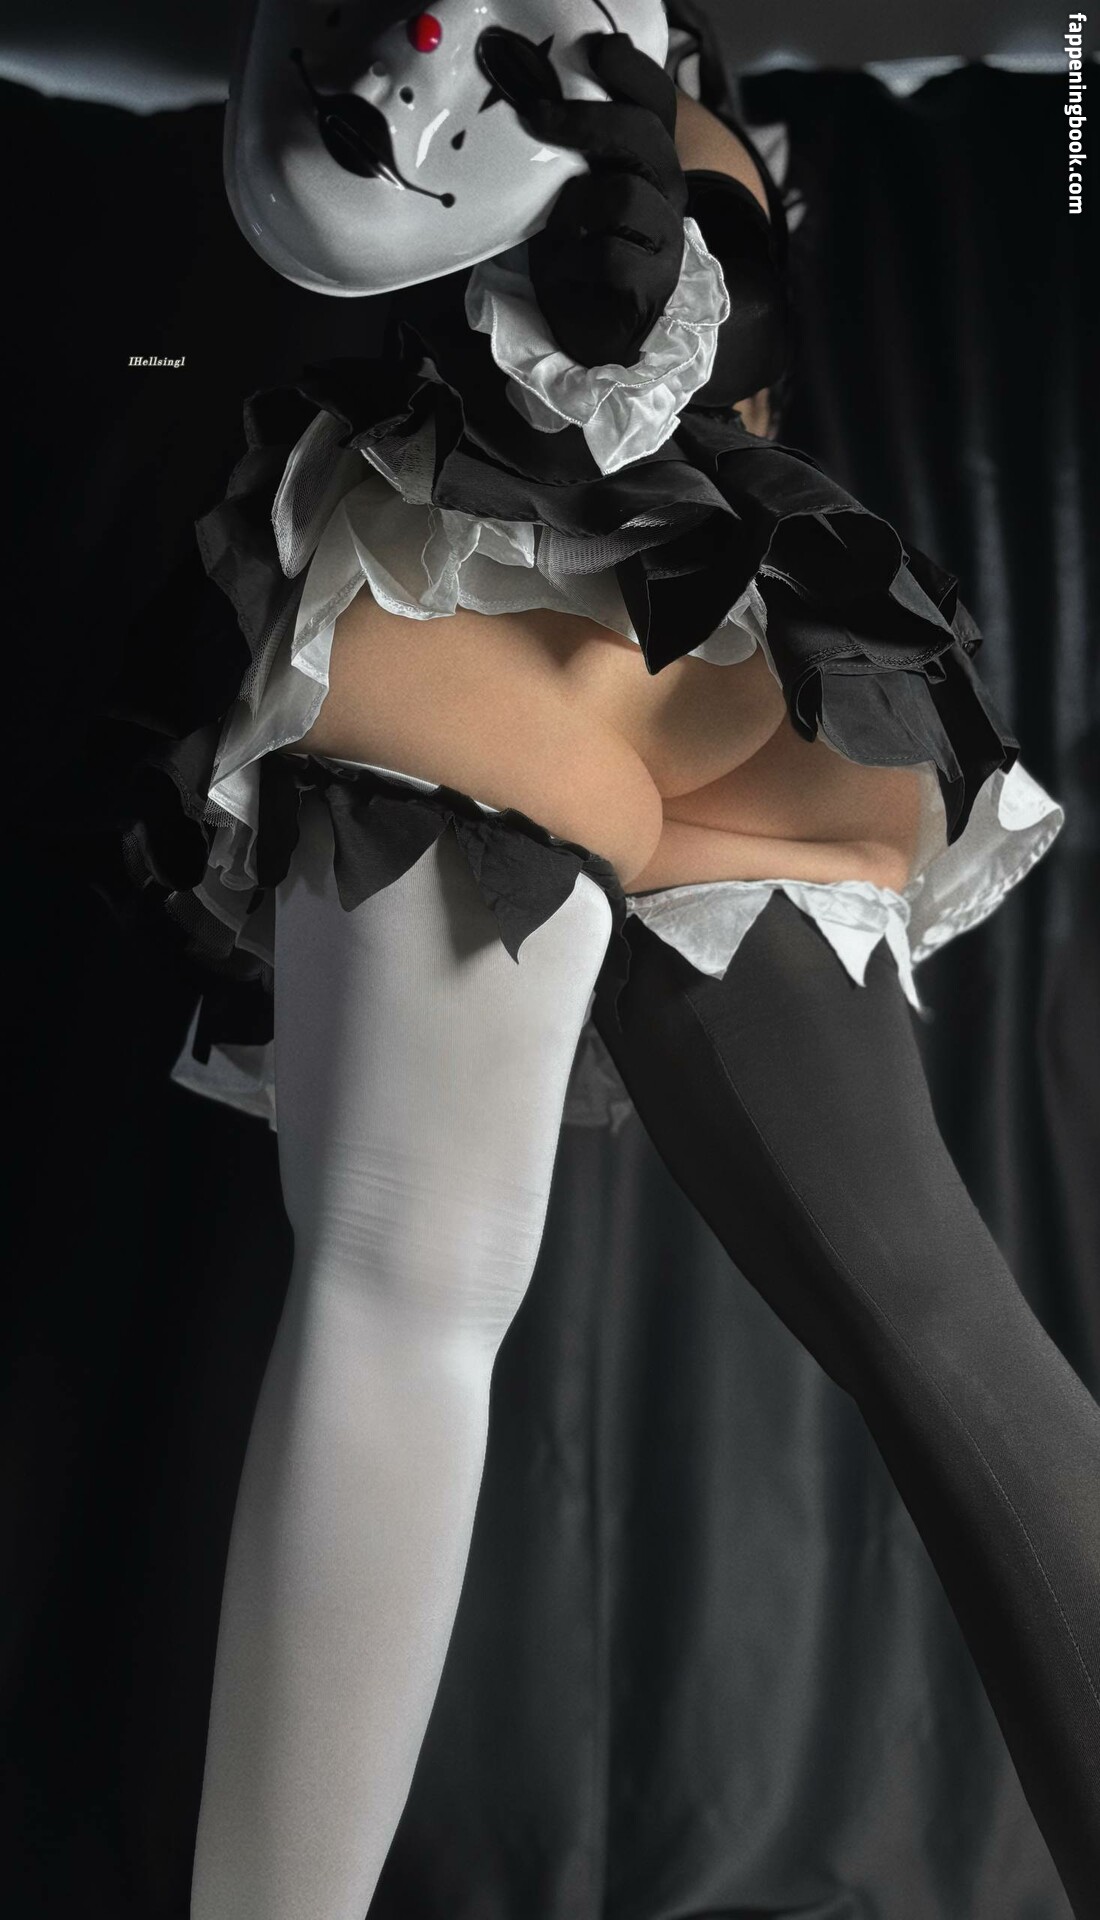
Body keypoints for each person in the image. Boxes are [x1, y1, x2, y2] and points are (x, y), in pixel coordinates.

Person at [114, 5, 1096, 1916]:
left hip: (557, 644)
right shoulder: (635, 94)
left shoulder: (601, 90)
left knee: (415, 1300)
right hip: (712, 678)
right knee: (931, 1333)